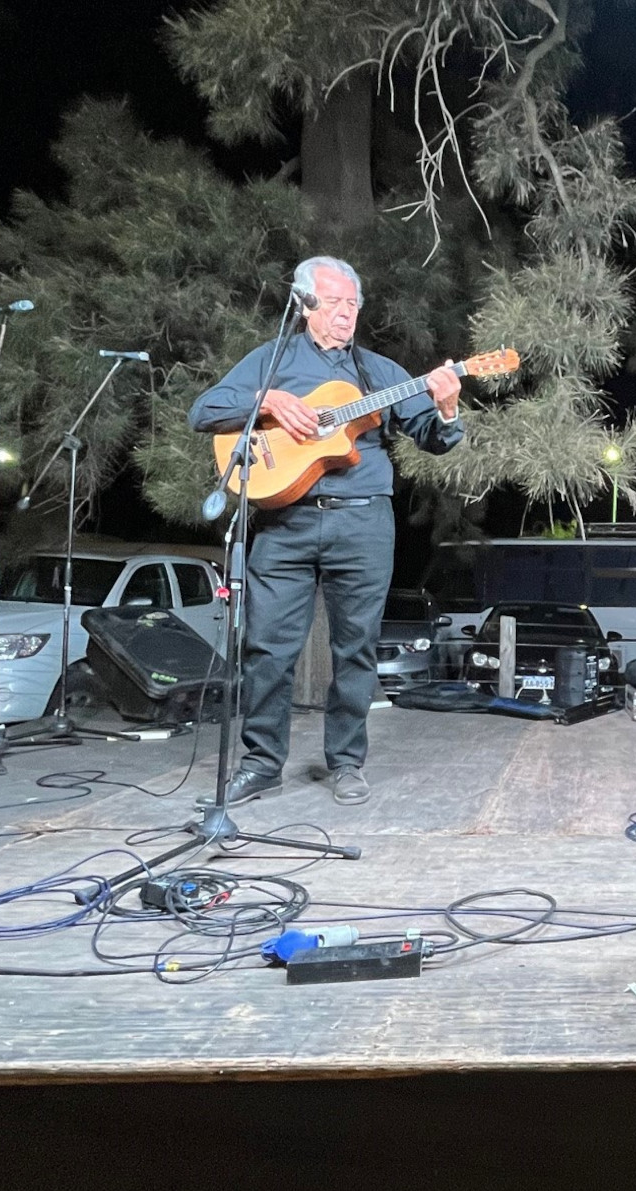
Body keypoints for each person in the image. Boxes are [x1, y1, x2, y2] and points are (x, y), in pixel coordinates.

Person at [188, 255, 464, 805]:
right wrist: (266, 399)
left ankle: (346, 762)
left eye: (353, 304)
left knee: (356, 648)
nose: (346, 313)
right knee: (267, 648)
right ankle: (261, 765)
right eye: (334, 302)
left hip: (362, 522)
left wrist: (448, 407)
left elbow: (433, 438)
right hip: (284, 521)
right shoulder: (273, 359)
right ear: (306, 304)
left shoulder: (380, 373)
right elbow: (204, 411)